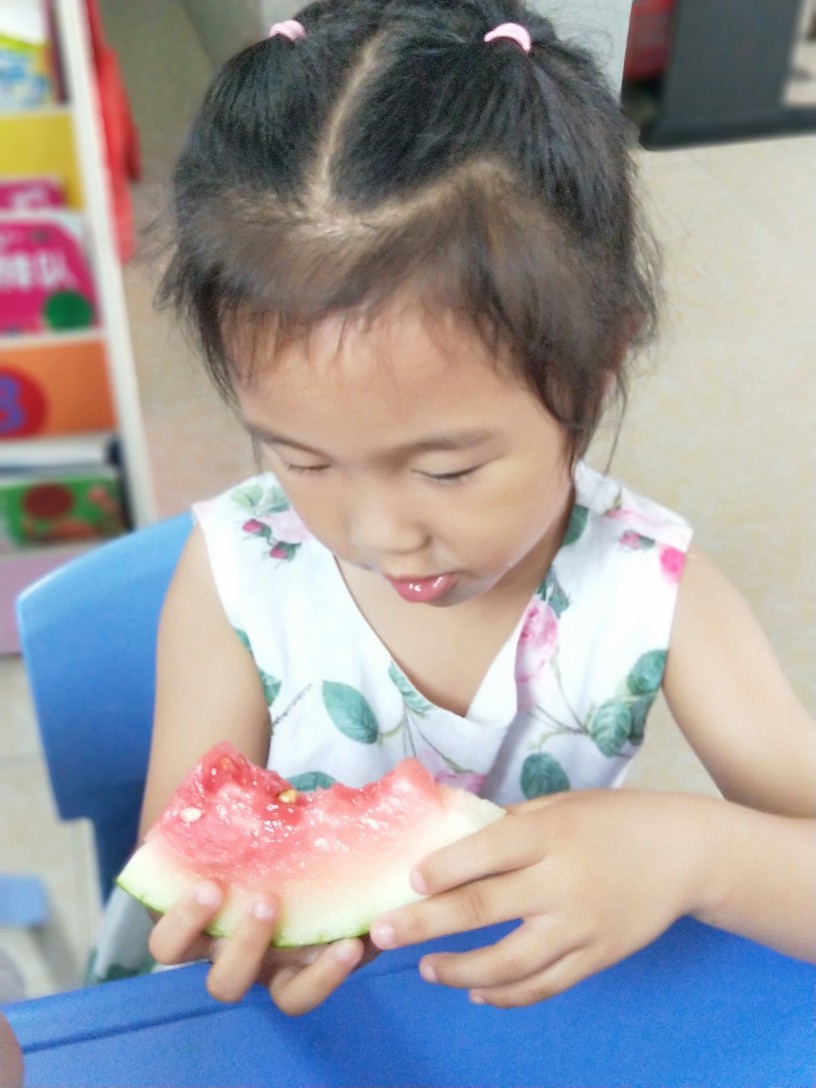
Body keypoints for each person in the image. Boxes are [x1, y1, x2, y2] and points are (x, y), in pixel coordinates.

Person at [92, 0, 815, 1015]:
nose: (380, 533)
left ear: (597, 369)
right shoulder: (237, 576)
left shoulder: (659, 595)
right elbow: (191, 870)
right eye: (302, 458)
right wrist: (229, 932)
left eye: (447, 471)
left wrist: (700, 853)